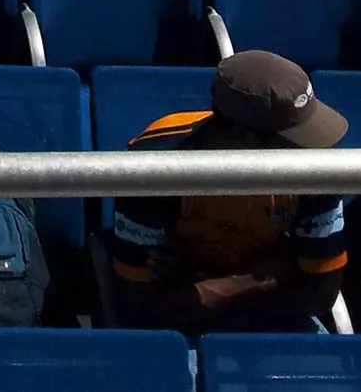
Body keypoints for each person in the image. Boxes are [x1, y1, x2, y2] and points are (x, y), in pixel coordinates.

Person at [111, 50, 348, 336]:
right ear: (244, 135)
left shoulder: (317, 167)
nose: (312, 149)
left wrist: (213, 285)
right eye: (294, 138)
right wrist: (269, 271)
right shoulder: (154, 163)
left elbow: (320, 295)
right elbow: (139, 307)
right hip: (180, 331)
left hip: (274, 318)